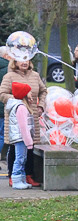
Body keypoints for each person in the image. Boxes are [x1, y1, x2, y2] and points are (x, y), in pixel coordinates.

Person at [0, 55, 47, 187]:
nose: (24, 62)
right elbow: (2, 94)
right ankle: (13, 175)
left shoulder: (35, 76)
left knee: (30, 146)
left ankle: (28, 175)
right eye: (21, 59)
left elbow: (43, 91)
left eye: (26, 59)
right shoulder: (9, 76)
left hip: (32, 116)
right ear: (15, 61)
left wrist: (41, 106)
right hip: (16, 116)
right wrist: (19, 96)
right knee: (16, 146)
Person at [6, 82, 34, 189]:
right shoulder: (21, 107)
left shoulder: (20, 106)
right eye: (29, 92)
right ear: (24, 94)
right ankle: (16, 179)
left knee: (23, 158)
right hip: (21, 138)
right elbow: (23, 127)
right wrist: (29, 142)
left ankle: (21, 179)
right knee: (20, 159)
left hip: (21, 138)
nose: (31, 94)